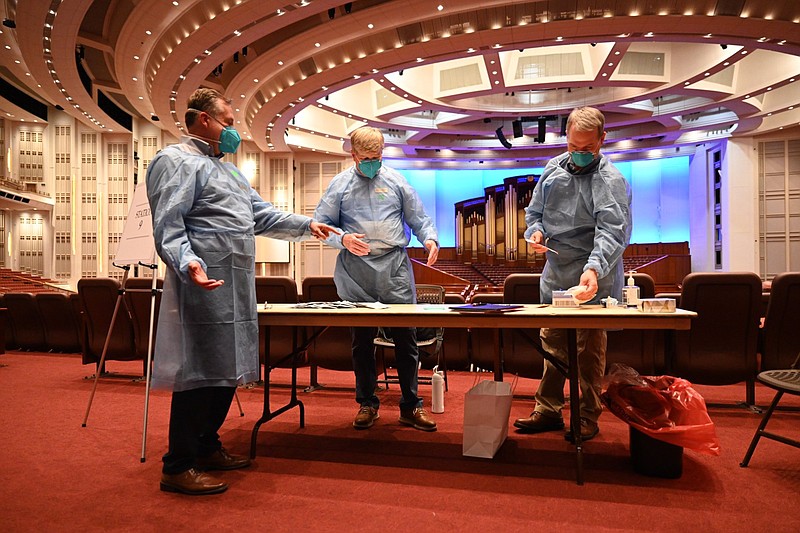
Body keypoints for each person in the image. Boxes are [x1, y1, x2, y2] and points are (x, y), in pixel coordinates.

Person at [147, 88, 337, 495]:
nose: (233, 131)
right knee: (198, 371)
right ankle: (177, 465)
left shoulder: (229, 171)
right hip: (202, 280)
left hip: (235, 285)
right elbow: (169, 224)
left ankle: (207, 446)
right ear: (202, 120)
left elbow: (260, 214)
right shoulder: (176, 161)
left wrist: (307, 226)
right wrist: (188, 262)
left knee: (226, 367)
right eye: (228, 123)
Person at [513, 106, 632, 442]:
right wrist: (534, 233)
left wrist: (593, 268)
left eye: (588, 150)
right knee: (552, 344)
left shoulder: (611, 181)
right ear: (566, 137)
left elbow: (612, 232)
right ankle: (548, 410)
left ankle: (587, 416)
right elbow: (533, 213)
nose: (579, 155)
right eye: (574, 148)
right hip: (557, 269)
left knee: (589, 351)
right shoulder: (552, 170)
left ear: (602, 140)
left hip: (596, 270)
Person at [314, 126, 440, 432]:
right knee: (362, 342)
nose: (373, 162)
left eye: (378, 155)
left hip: (394, 267)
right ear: (353, 155)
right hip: (357, 271)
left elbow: (418, 216)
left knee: (406, 339)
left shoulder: (396, 180)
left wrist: (430, 238)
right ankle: (367, 403)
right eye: (367, 157)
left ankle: (411, 406)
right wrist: (342, 239)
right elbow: (321, 224)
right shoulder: (340, 185)